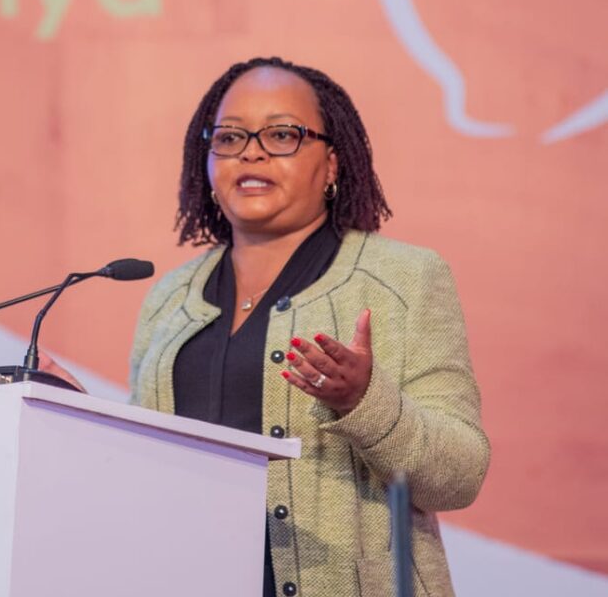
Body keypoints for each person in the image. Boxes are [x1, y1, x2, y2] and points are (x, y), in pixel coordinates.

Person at [128, 56, 489, 597]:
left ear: (332, 164)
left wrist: (365, 401)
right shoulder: (170, 298)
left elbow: (459, 476)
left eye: (281, 135)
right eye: (229, 137)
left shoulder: (404, 278)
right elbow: (147, 473)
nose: (251, 152)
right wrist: (73, 418)